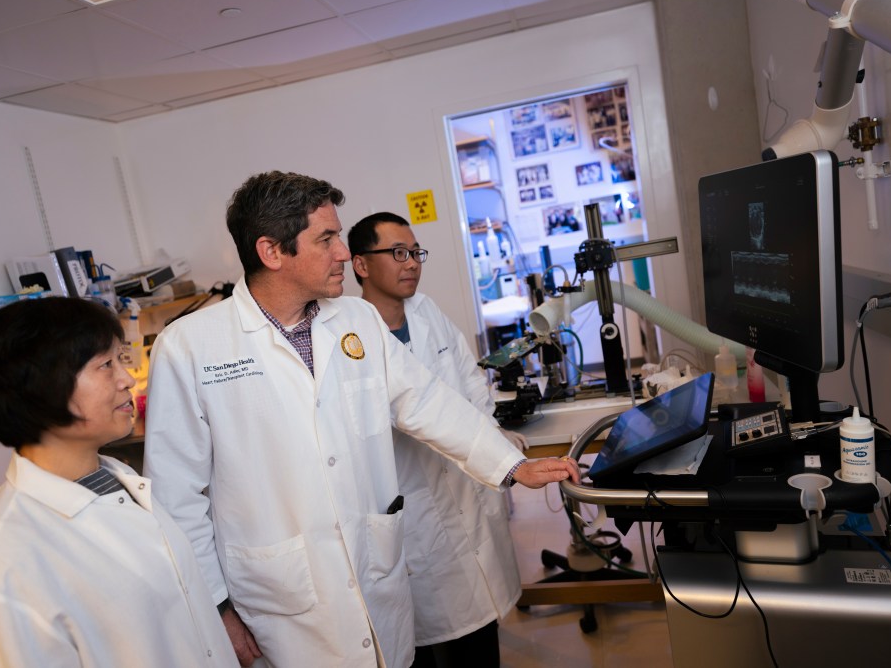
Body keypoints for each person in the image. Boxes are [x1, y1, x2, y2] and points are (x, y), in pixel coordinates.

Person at [143, 171, 580, 668]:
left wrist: (510, 466)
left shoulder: (355, 320)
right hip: (279, 604)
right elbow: (177, 498)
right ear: (271, 251)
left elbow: (427, 401)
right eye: (325, 239)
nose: (340, 254)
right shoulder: (192, 346)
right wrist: (217, 607)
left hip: (375, 578)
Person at [0, 297, 236, 667]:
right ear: (41, 388)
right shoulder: (2, 574)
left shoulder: (117, 479)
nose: (127, 378)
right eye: (105, 365)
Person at [348, 212, 525, 667]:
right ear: (361, 265)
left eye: (415, 253)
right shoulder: (352, 338)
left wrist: (494, 446)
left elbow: (471, 386)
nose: (411, 263)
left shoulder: (427, 311)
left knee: (481, 635)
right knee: (426, 640)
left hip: (468, 484)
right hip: (415, 506)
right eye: (397, 253)